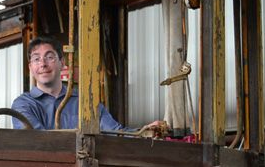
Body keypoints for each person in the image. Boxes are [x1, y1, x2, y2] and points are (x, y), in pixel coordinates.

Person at [11, 36, 162, 134]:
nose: (43, 64)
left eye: (49, 57)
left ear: (62, 62)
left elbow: (115, 133)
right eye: (36, 59)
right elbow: (36, 141)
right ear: (30, 67)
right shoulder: (23, 104)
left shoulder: (85, 102)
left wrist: (144, 132)